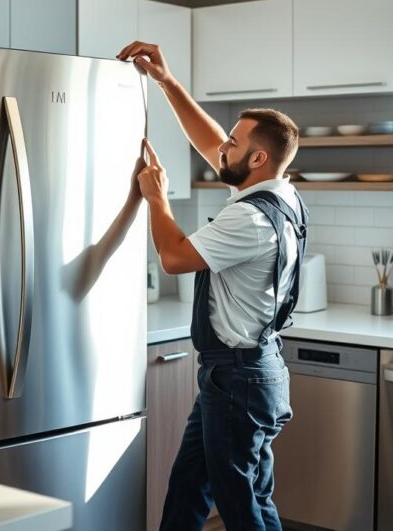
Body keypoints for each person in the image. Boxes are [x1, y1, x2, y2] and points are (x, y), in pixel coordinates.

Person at [117, 40, 309, 531]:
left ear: (259, 157)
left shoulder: (250, 218)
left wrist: (156, 199)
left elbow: (175, 258)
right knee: (188, 491)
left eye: (235, 144)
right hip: (239, 374)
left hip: (240, 379)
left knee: (244, 509)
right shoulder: (277, 191)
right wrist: (167, 81)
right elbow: (210, 142)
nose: (223, 146)